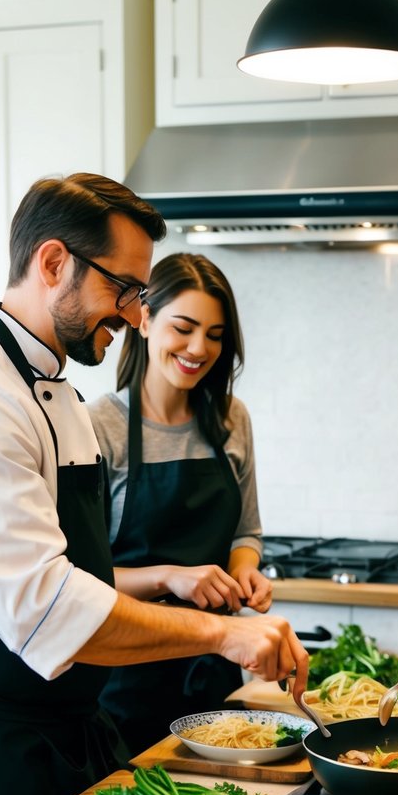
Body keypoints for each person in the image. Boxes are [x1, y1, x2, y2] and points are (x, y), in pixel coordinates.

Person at [0, 173, 308, 795]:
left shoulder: (53, 391)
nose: (137, 317)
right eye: (126, 290)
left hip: (69, 732)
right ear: (53, 264)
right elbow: (51, 609)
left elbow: (91, 572)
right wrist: (224, 633)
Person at [88, 253, 272, 754]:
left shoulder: (232, 418)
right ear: (144, 320)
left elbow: (246, 532)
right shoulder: (97, 427)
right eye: (184, 328)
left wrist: (244, 568)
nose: (198, 348)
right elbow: (81, 577)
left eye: (215, 335)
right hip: (122, 678)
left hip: (214, 673)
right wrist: (169, 576)